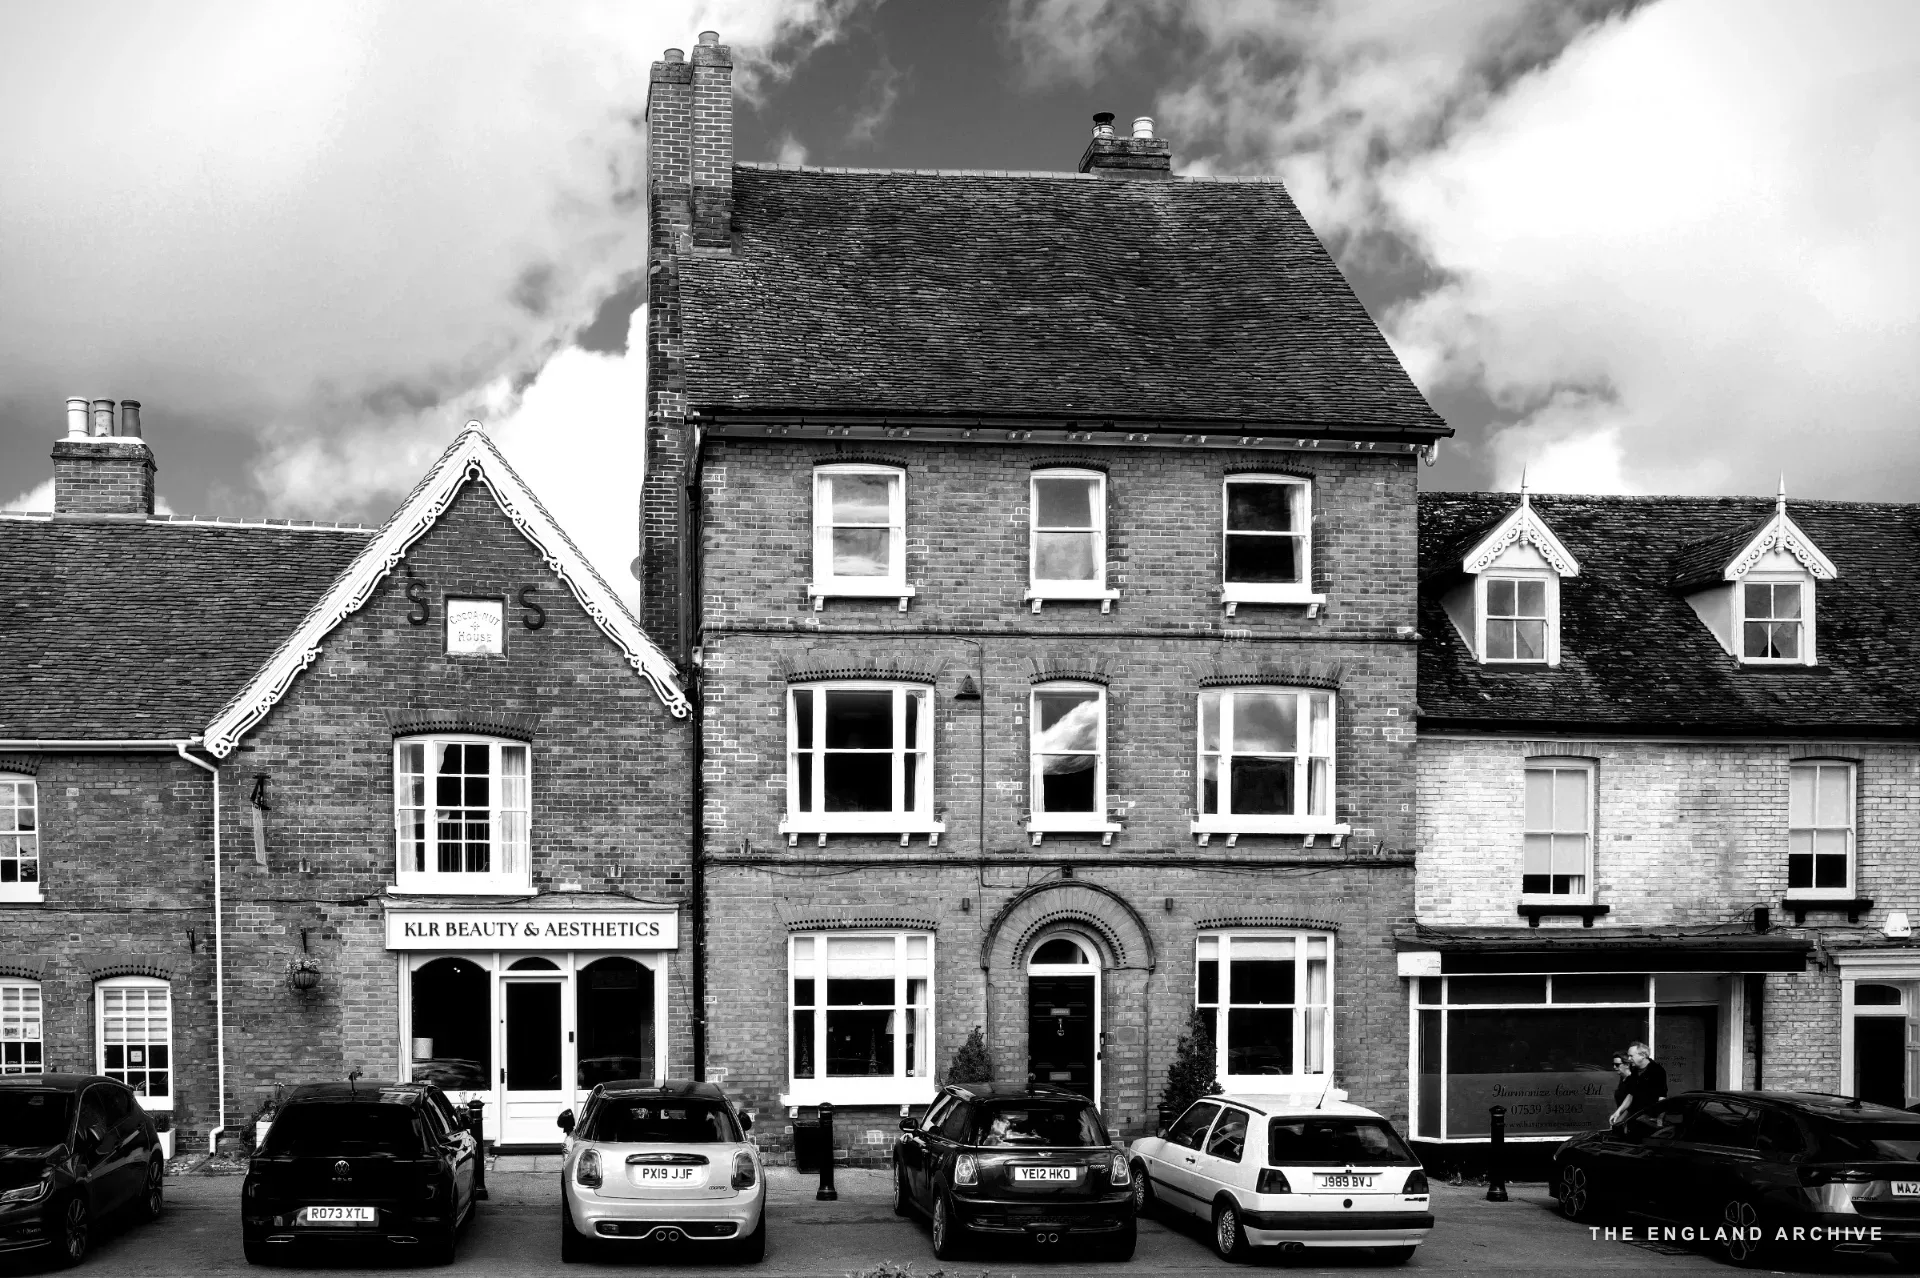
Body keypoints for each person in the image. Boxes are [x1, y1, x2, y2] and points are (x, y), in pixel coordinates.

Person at [1609, 1041, 1668, 1125]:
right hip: (1635, 1114)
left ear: (1643, 1056)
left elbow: (1662, 1097)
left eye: (1631, 1056)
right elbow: (1631, 1094)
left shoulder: (1657, 1070)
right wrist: (1618, 1112)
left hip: (1649, 1117)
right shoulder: (1634, 1070)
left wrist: (1659, 1120)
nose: (1629, 1059)